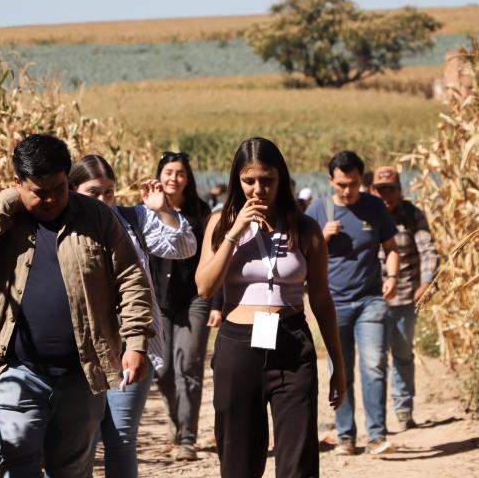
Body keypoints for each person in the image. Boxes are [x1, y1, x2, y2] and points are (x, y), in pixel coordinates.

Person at [0, 134, 154, 477]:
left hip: (82, 375)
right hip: (17, 370)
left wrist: (136, 342)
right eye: (38, 191)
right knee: (17, 462)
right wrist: (10, 200)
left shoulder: (96, 217)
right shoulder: (4, 217)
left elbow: (132, 279)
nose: (49, 199)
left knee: (70, 470)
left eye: (58, 188)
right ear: (18, 183)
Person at [195, 137, 346, 478]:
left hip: (291, 343)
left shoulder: (304, 228)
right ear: (237, 181)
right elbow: (205, 287)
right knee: (239, 460)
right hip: (239, 346)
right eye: (249, 181)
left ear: (281, 179)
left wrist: (338, 365)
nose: (258, 190)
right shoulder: (220, 222)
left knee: (298, 460)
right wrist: (235, 232)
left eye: (267, 180)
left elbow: (322, 300)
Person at [69, 154, 197, 478]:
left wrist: (164, 210)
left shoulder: (131, 220)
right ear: (72, 190)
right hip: (81, 349)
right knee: (82, 439)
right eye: (93, 192)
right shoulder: (62, 229)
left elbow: (184, 247)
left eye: (109, 192)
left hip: (131, 343)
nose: (103, 200)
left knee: (121, 434)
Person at [305, 150, 400, 456]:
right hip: (332, 303)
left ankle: (377, 435)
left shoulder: (374, 207)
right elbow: (300, 256)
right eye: (341, 184)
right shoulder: (318, 210)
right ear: (330, 180)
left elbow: (391, 247)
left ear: (362, 179)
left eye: (354, 184)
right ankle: (346, 435)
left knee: (373, 365)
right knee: (340, 369)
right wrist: (322, 237)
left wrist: (392, 276)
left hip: (370, 298)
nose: (348, 190)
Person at [151, 151, 222, 461]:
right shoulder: (148, 210)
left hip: (194, 299)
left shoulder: (200, 211)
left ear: (187, 178)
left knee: (189, 366)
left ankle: (187, 438)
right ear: (160, 175)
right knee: (163, 368)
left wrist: (217, 303)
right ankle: (177, 421)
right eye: (168, 172)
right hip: (159, 301)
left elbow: (215, 257)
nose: (174, 178)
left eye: (180, 173)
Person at [370, 165, 439, 429]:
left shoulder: (411, 214)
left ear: (399, 190)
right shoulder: (366, 213)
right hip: (371, 298)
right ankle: (377, 420)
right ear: (374, 191)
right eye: (381, 190)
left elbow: (428, 249)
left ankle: (403, 409)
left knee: (401, 354)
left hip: (404, 296)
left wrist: (427, 282)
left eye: (391, 190)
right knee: (375, 360)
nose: (386, 195)